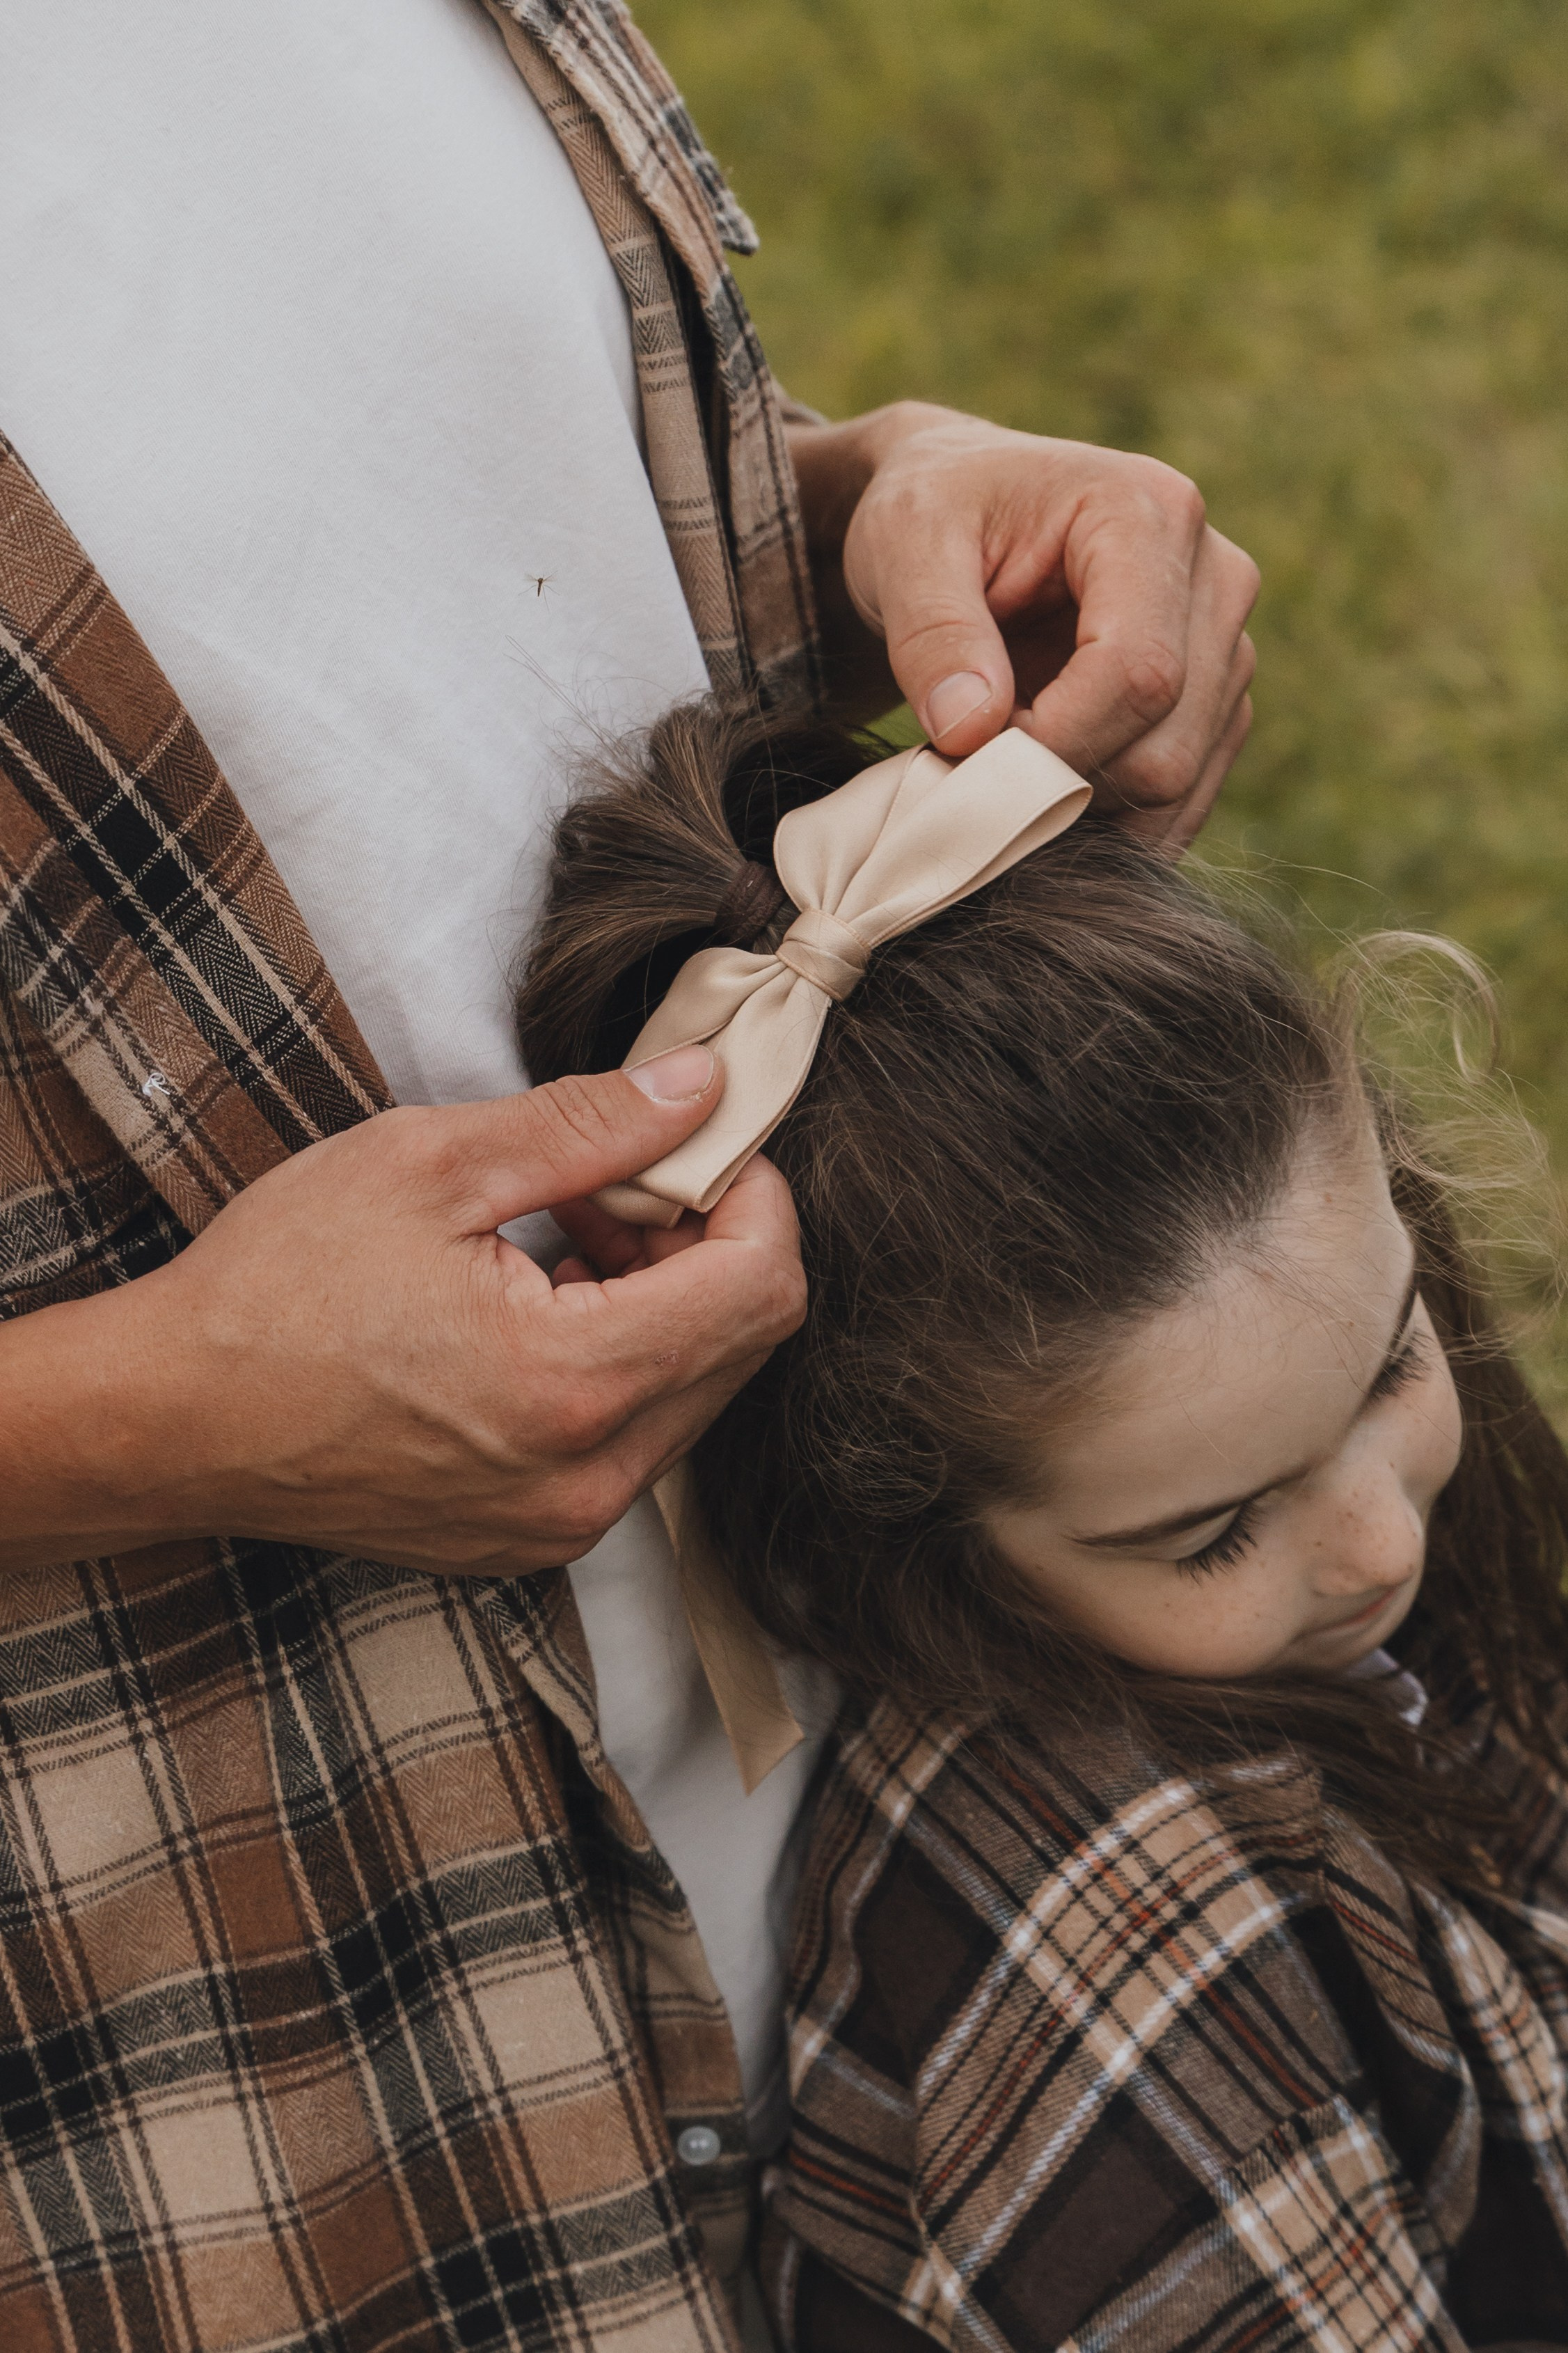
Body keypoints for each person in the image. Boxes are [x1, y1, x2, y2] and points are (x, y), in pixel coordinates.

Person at [0, 4, 1258, 2347]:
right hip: (269, 2025)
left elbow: (278, 514)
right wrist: (134, 1411)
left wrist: (857, 495)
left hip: (867, 1760)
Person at [516, 698, 1568, 2348]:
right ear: (892, 1546)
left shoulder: (1292, 1641)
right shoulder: (1137, 1944)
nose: (1379, 1548)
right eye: (1211, 1533)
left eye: (1390, 1365)